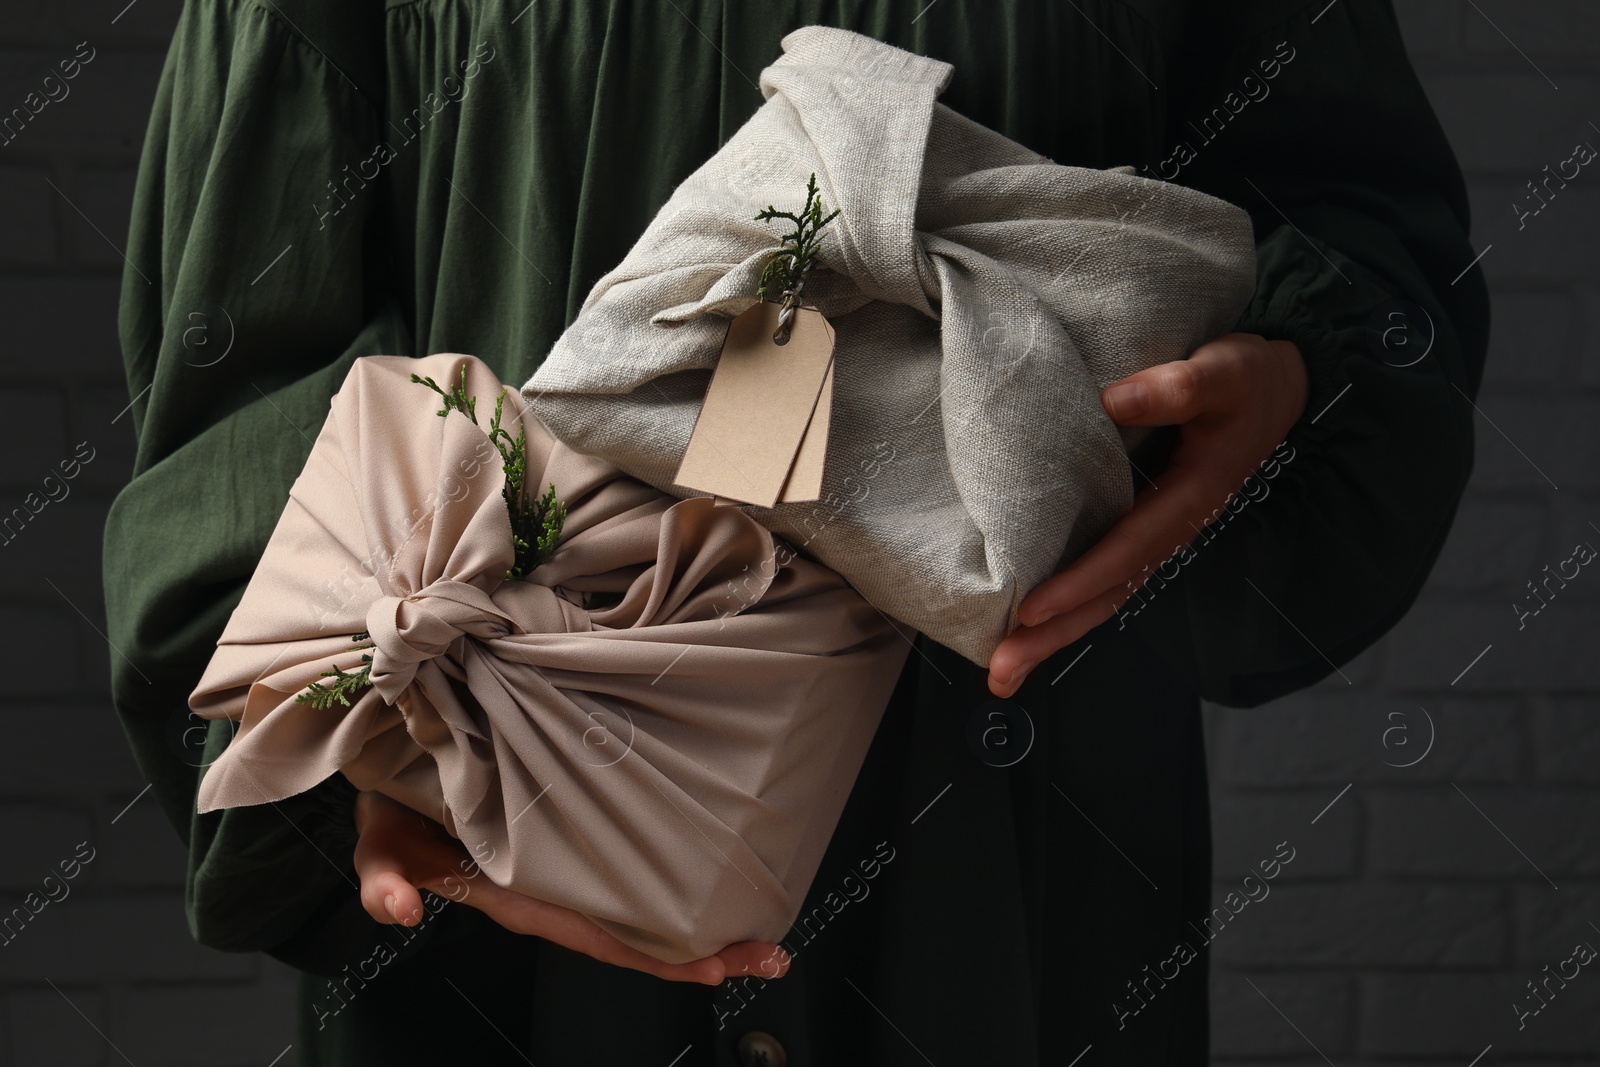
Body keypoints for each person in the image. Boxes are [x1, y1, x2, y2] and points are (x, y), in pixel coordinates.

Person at [104, 1, 1487, 1064]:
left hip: (1011, 883)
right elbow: (237, 357)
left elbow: (1362, 229)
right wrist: (343, 735)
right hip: (493, 903)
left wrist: (1300, 382)